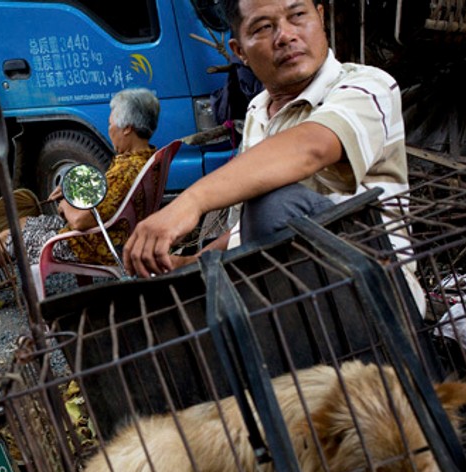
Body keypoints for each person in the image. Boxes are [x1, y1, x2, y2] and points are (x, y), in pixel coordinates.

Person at [123, 0, 407, 277]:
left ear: (320, 18)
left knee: (274, 203)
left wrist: (191, 201)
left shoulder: (368, 86)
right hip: (290, 286)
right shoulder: (258, 111)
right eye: (263, 27)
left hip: (376, 285)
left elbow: (313, 148)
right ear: (240, 51)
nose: (285, 36)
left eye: (297, 15)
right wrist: (194, 263)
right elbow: (250, 230)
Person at [0, 88, 159, 267]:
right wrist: (70, 190)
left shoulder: (125, 172)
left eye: (110, 124)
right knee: (23, 223)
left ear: (127, 128)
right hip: (106, 233)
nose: (109, 130)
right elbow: (105, 200)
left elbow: (81, 221)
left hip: (92, 245)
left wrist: (65, 204)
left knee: (8, 238)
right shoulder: (147, 158)